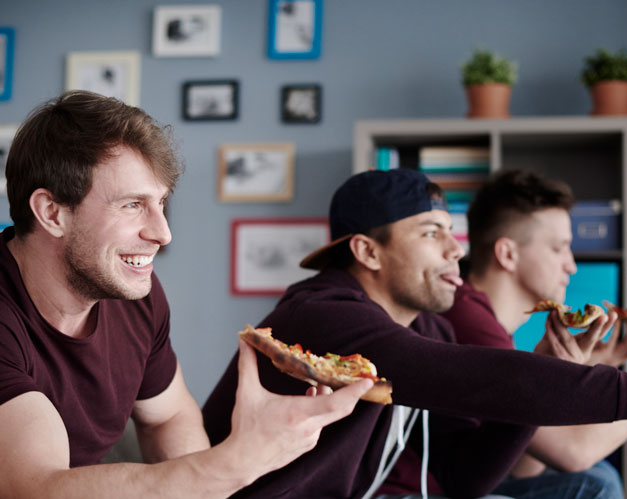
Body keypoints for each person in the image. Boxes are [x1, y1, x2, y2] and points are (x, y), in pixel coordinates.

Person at [203, 167, 627, 499]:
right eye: (429, 233)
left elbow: (465, 478)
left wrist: (551, 370)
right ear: (367, 252)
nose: (455, 250)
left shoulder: (431, 326)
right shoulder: (324, 313)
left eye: (451, 231)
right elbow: (477, 377)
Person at [0, 91, 372, 498]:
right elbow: (34, 489)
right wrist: (237, 462)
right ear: (52, 213)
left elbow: (168, 416)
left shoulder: (136, 297)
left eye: (160, 202)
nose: (162, 232)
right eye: (132, 205)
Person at [404, 169, 627, 499]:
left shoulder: (487, 322)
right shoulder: (468, 323)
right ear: (507, 253)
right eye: (559, 248)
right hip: (428, 490)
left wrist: (577, 373)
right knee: (597, 482)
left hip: (463, 482)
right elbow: (573, 453)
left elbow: (525, 464)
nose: (572, 265)